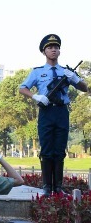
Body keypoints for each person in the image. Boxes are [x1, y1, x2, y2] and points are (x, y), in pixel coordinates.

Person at [19, 34, 88, 197]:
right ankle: (46, 187)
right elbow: (22, 88)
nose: (54, 50)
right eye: (50, 48)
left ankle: (58, 188)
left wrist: (75, 80)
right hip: (46, 112)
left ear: (59, 51)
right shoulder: (37, 72)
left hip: (62, 112)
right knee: (47, 150)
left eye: (56, 47)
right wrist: (35, 96)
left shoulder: (66, 72)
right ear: (44, 51)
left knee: (59, 150)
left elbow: (85, 88)